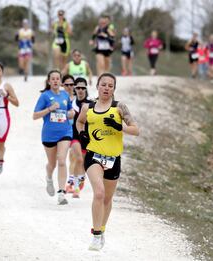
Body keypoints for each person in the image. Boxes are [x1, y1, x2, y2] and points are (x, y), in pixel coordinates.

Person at [76, 73, 140, 251]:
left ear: (114, 89)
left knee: (107, 199)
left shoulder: (119, 108)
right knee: (99, 193)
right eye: (103, 84)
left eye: (110, 86)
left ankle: (102, 228)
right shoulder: (87, 107)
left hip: (113, 159)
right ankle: (96, 235)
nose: (106, 88)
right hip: (94, 156)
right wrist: (81, 133)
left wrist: (120, 127)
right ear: (97, 86)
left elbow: (136, 130)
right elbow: (80, 122)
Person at [33, 70, 75, 205]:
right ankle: (49, 178)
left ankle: (62, 193)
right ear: (49, 81)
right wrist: (49, 109)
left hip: (65, 132)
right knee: (52, 163)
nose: (56, 81)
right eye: (53, 79)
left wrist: (71, 113)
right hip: (49, 134)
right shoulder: (45, 96)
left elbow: (70, 111)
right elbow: (35, 115)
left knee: (62, 160)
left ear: (61, 81)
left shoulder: (65, 95)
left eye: (58, 79)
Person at [66, 77, 92, 198]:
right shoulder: (70, 103)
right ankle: (75, 186)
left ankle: (80, 178)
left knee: (83, 161)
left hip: (87, 137)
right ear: (74, 89)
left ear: (86, 89)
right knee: (78, 159)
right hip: (74, 136)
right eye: (78, 88)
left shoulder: (91, 104)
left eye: (83, 88)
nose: (80, 90)